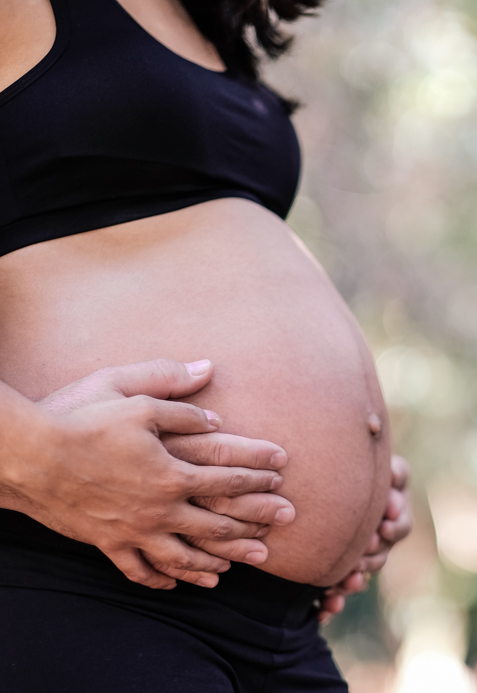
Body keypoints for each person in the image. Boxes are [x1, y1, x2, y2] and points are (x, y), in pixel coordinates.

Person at [0, 0, 412, 689]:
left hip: (279, 627)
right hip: (84, 586)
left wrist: (354, 485)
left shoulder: (202, 15)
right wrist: (36, 456)